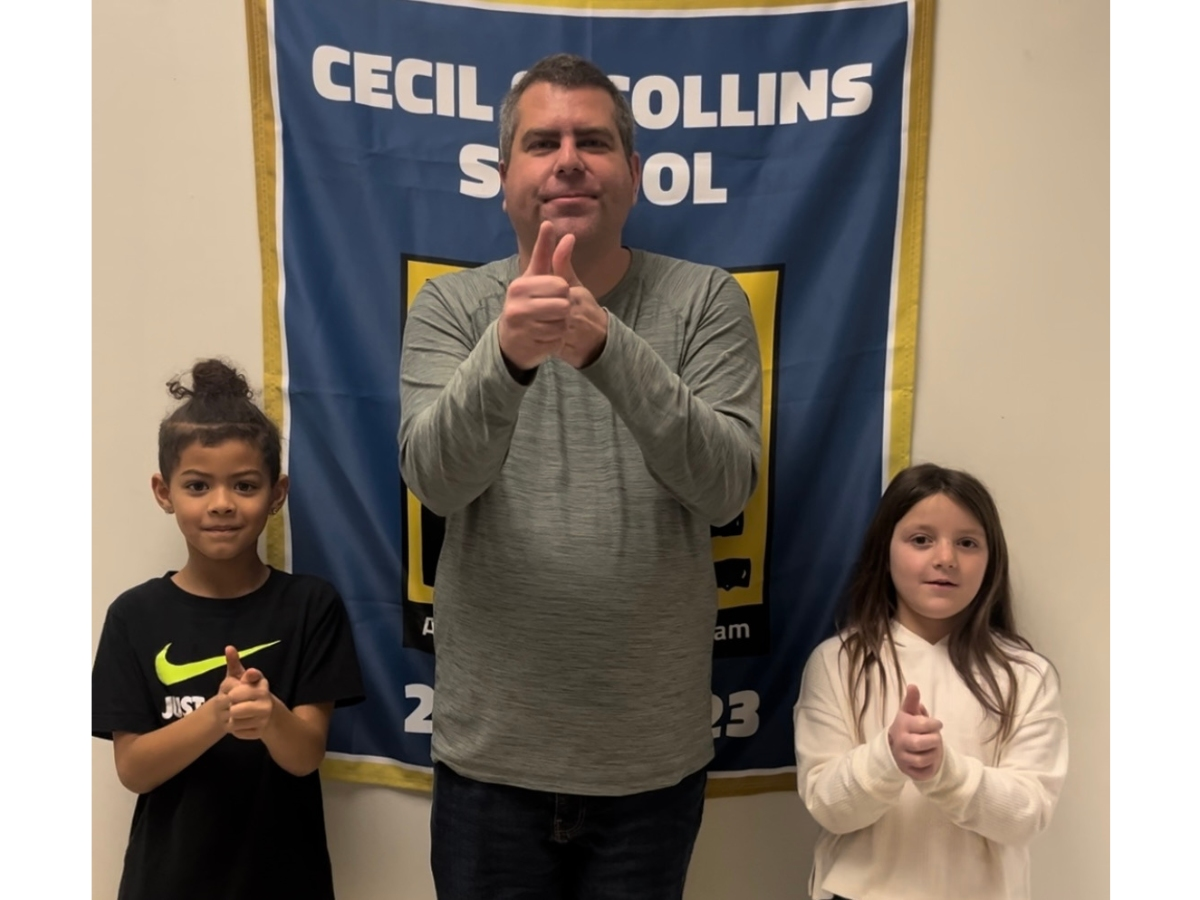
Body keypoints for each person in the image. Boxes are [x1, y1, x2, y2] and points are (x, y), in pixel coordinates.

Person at [399, 53, 763, 898]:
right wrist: (507, 356)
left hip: (650, 767)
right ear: (504, 177)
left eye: (593, 141)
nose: (568, 159)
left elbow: (725, 488)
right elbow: (435, 481)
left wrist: (604, 347)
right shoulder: (451, 310)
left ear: (634, 175)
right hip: (490, 764)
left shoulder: (707, 302)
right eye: (542, 142)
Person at [91, 358, 365, 900]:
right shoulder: (134, 615)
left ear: (277, 493)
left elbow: (305, 755)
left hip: (286, 881)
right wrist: (217, 715)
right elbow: (134, 769)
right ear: (163, 491)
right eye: (197, 485)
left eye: (244, 485)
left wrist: (268, 717)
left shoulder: (312, 605)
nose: (221, 504)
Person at [793, 463, 1069, 900]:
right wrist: (887, 756)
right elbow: (827, 806)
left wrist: (945, 771)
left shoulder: (1026, 674)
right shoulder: (836, 663)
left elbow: (1028, 813)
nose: (945, 558)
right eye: (921, 540)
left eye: (967, 542)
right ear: (885, 550)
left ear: (991, 557)